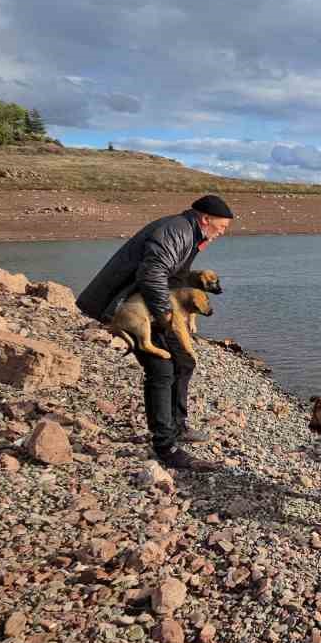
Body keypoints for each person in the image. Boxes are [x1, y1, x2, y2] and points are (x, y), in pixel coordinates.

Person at [77, 194, 234, 469]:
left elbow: (172, 274)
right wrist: (165, 315)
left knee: (184, 362)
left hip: (148, 304)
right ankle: (166, 446)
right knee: (162, 368)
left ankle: (177, 426)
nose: (223, 232)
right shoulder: (177, 230)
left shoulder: (189, 233)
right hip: (132, 308)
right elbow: (152, 273)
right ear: (205, 219)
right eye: (221, 227)